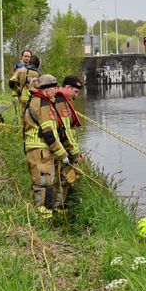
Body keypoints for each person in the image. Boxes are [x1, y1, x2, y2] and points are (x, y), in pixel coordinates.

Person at [23, 74, 70, 219]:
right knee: (44, 184)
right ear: (46, 89)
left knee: (42, 183)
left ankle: (44, 215)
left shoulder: (34, 100)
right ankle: (44, 217)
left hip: (35, 149)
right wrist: (63, 154)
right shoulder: (43, 104)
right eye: (54, 88)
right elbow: (49, 134)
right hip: (41, 151)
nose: (56, 91)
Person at [53, 75, 84, 212]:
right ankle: (60, 210)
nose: (76, 96)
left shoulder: (63, 101)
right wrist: (75, 153)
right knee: (63, 180)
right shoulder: (60, 103)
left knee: (66, 180)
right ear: (67, 87)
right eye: (75, 92)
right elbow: (64, 131)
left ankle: (62, 208)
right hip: (63, 150)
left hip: (64, 148)